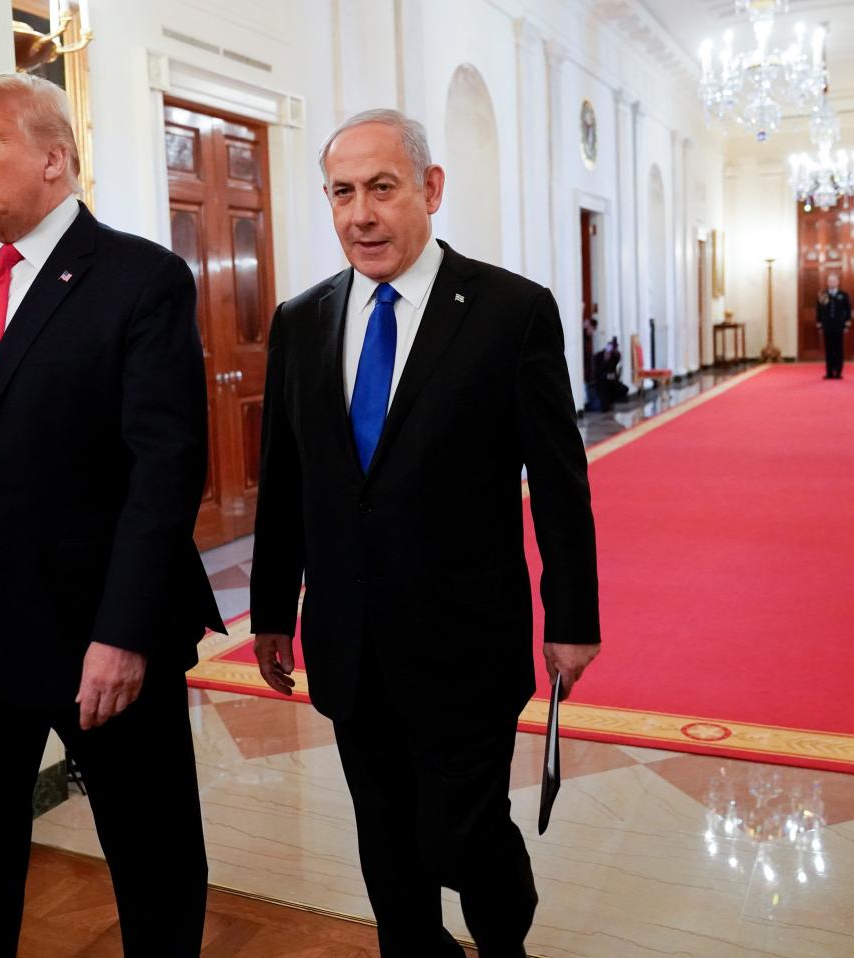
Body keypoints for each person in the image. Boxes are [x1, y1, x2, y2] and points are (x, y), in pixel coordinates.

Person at [248, 109, 602, 957]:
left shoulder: (510, 311)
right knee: (385, 835)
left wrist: (574, 617)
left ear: (430, 189)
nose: (360, 214)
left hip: (463, 639)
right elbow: (286, 480)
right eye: (342, 193)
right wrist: (269, 610)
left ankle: (504, 943)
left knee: (460, 830)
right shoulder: (301, 320)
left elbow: (558, 481)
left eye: (381, 188)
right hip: (348, 640)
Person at [0, 73, 222, 956]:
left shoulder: (141, 278)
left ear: (54, 157)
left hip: (101, 635)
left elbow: (165, 471)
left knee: (152, 854)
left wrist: (122, 634)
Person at [816, 272, 853, 379]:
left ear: (838, 282)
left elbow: (848, 310)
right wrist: (819, 325)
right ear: (827, 282)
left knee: (838, 350)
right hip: (827, 327)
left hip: (839, 327)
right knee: (828, 350)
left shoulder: (843, 295)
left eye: (834, 280)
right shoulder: (823, 295)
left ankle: (838, 372)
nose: (832, 282)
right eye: (830, 281)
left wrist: (846, 325)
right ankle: (829, 372)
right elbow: (819, 311)